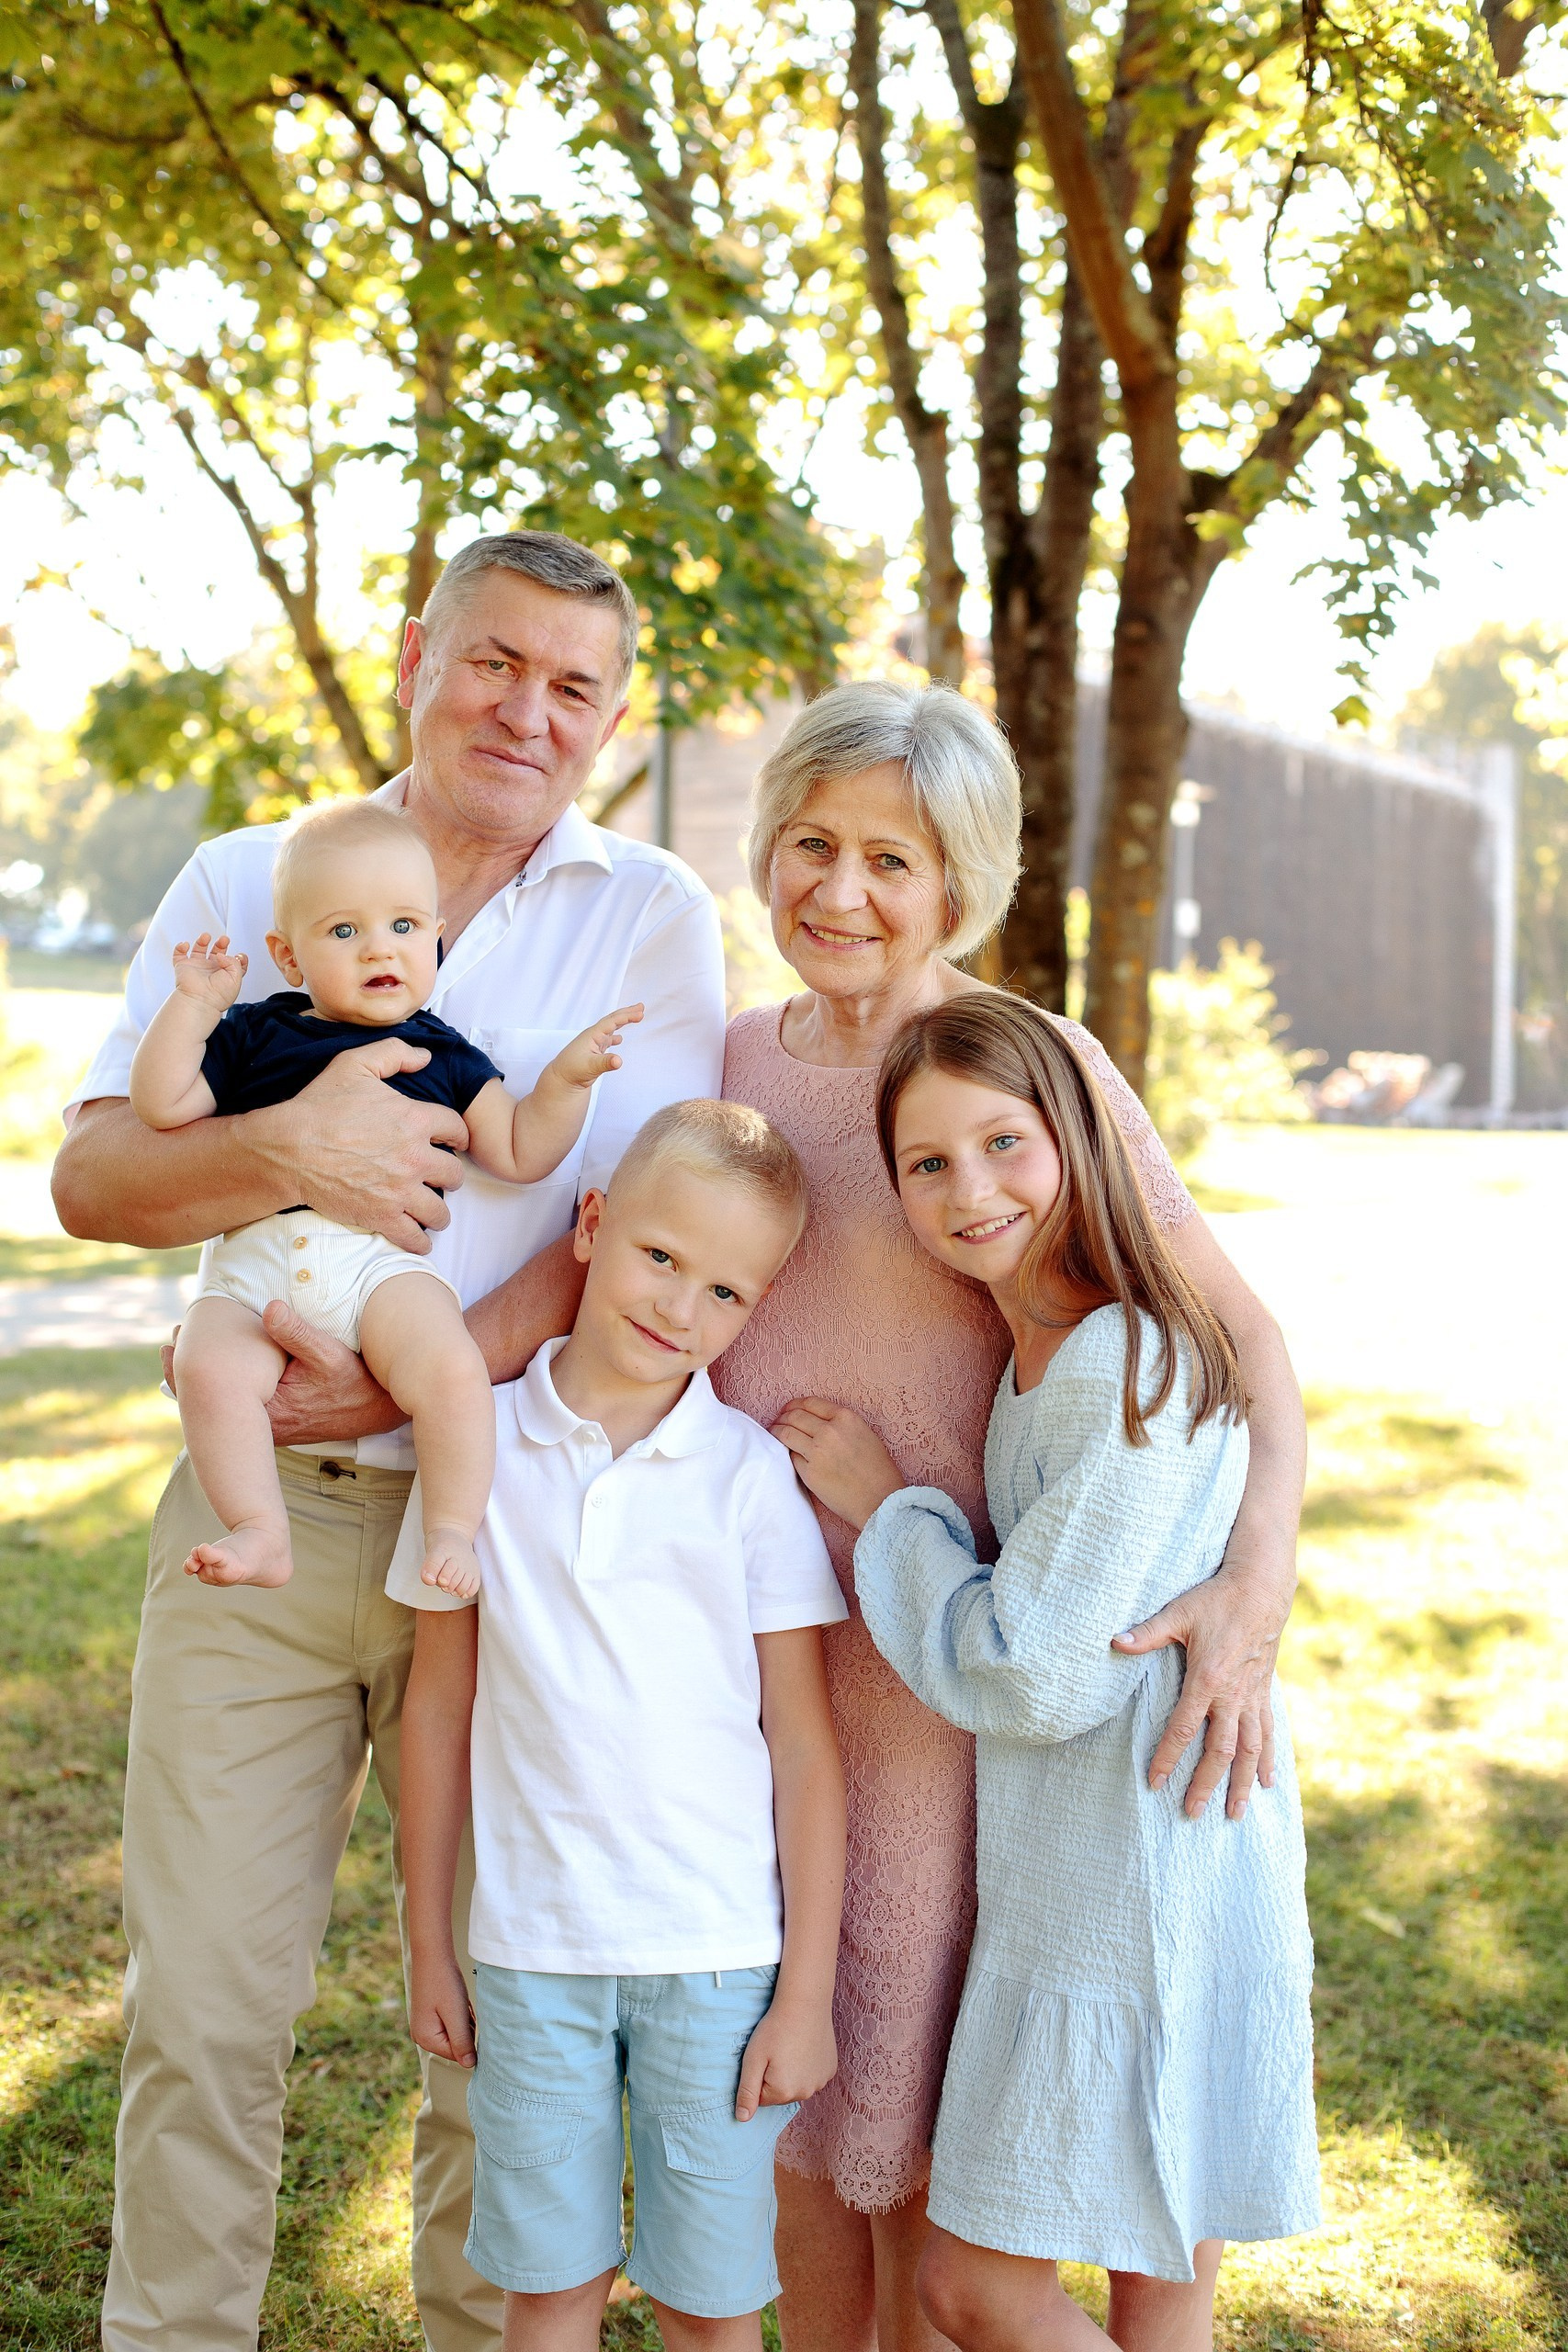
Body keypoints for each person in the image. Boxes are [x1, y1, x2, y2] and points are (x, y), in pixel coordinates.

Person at [51, 530, 728, 2352]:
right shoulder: (247, 876)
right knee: (203, 1998)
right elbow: (97, 1174)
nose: (529, 708)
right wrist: (290, 1150)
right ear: (419, 650)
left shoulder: (652, 915)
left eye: (575, 684)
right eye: (495, 660)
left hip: (497, 1530)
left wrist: (401, 1376)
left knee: (492, 2012)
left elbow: (630, 1233)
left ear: (608, 714)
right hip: (252, 1515)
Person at [712, 680, 1307, 2351]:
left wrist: (1251, 1586)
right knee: (784, 2087)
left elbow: (1241, 1339)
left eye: (891, 859)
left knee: (910, 2093)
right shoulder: (738, 1056)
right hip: (762, 1639)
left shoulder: (1016, 1076)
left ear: (959, 882)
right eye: (811, 847)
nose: (841, 891)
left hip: (961, 1670)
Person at [400, 1101, 849, 2352]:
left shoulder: (746, 1478)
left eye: (724, 1292)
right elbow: (435, 1712)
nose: (678, 1310)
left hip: (714, 1959)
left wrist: (802, 1991)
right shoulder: (473, 1443)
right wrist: (430, 1948)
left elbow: (803, 1749)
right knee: (548, 2297)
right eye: (660, 1257)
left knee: (710, 2306)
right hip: (529, 1954)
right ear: (591, 1226)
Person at [129, 798, 639, 1595]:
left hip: (380, 1272)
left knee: (449, 1370)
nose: (381, 950)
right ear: (287, 956)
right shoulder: (256, 1032)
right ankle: (260, 1528)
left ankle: (451, 1530)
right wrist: (192, 1008)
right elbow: (163, 1106)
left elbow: (521, 1150)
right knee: (207, 1365)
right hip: (254, 1269)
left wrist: (566, 1081)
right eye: (344, 931)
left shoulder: (440, 1050)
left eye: (404, 927)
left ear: (433, 939)